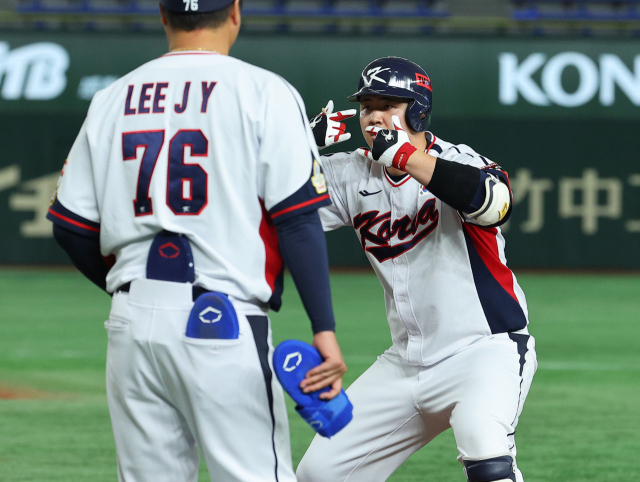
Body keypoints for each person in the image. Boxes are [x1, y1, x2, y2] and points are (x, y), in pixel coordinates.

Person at [46, 1, 346, 480]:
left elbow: (70, 225)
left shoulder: (113, 97)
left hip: (132, 326)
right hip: (221, 322)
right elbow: (296, 220)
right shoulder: (263, 90)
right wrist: (324, 330)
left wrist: (129, 291)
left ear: (163, 16)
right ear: (234, 12)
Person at [297, 57, 537, 482]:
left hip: (484, 350)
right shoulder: (352, 172)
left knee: (486, 452)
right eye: (367, 105)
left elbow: (496, 203)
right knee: (320, 473)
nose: (374, 116)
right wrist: (297, 145)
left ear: (418, 111)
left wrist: (406, 157)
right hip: (404, 364)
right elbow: (265, 208)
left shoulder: (457, 160)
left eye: (389, 103)